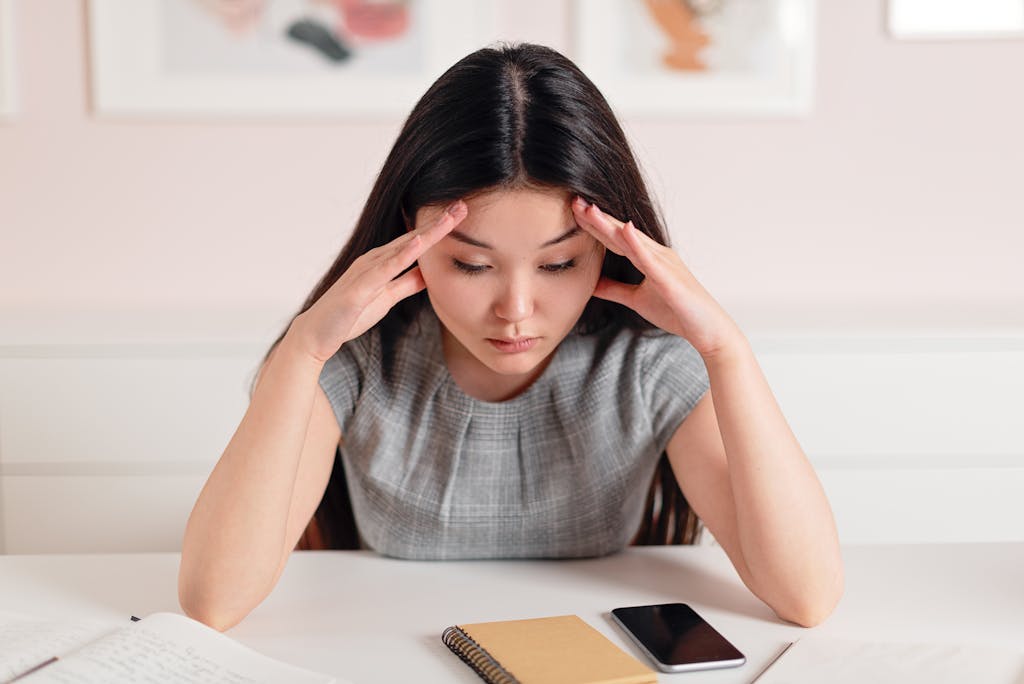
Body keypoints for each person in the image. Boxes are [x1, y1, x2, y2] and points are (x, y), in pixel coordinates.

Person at [178, 42, 843, 633]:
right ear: (411, 237)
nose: (515, 311)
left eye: (559, 264)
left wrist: (727, 352)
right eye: (470, 264)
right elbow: (214, 602)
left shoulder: (644, 365)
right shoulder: (357, 361)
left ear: (610, 250)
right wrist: (300, 352)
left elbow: (807, 597)